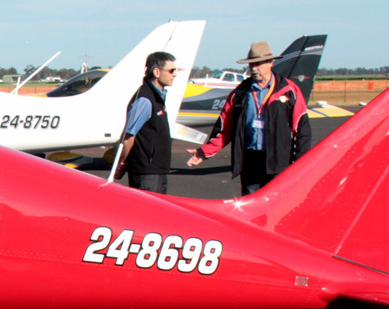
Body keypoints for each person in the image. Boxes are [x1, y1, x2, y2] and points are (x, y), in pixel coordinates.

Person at [186, 40, 311, 194]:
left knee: (277, 211)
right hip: (250, 162)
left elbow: (302, 129)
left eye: (258, 64)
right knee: (251, 211)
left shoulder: (288, 90)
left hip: (278, 162)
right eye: (252, 65)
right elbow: (224, 129)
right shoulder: (240, 93)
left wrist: (301, 163)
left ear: (270, 63)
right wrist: (204, 152)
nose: (254, 69)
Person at [113, 51, 177, 193]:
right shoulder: (145, 100)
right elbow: (129, 136)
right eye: (171, 71)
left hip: (157, 171)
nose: (175, 74)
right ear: (157, 72)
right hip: (146, 173)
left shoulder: (157, 98)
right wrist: (122, 163)